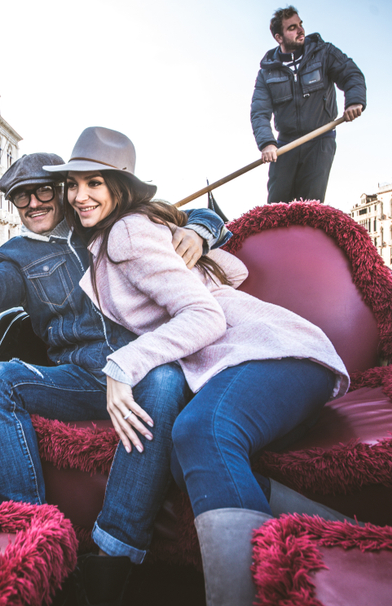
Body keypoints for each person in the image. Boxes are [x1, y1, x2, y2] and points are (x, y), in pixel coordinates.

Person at [46, 126, 351, 606]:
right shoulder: (121, 236)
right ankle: (345, 537)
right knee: (187, 446)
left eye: (94, 184)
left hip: (275, 354)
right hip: (264, 367)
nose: (79, 196)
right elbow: (225, 275)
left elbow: (205, 315)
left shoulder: (126, 232)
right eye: (72, 185)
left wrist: (120, 365)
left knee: (199, 431)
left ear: (119, 188)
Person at [0, 152, 227, 605]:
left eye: (42, 191)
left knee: (165, 381)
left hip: (147, 369)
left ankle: (114, 549)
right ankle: (30, 534)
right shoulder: (17, 255)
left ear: (61, 191)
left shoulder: (104, 219)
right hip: (81, 379)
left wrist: (199, 231)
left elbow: (199, 214)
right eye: (20, 197)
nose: (33, 203)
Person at [251, 6, 366, 204]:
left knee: (310, 206)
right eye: (292, 28)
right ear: (279, 38)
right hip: (285, 146)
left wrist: (354, 101)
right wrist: (267, 143)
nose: (300, 30)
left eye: (300, 25)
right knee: (276, 207)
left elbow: (351, 74)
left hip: (320, 139)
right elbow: (259, 112)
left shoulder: (324, 53)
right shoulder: (267, 73)